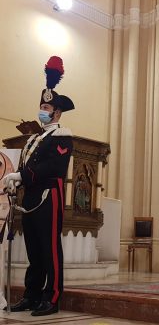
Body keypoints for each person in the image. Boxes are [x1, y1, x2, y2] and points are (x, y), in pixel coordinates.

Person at [3, 56, 74, 316]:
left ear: (57, 112)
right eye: (41, 105)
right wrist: (16, 181)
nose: (43, 109)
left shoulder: (62, 135)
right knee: (33, 248)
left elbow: (53, 168)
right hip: (31, 197)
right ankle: (31, 295)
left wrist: (23, 175)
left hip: (48, 196)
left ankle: (52, 297)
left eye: (47, 106)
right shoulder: (35, 138)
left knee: (49, 248)